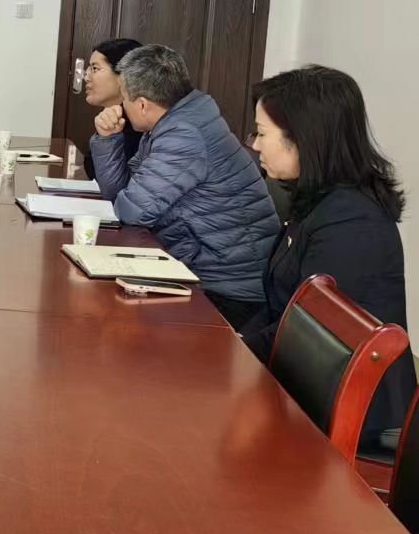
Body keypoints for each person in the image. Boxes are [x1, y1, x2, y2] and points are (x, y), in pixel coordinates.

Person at [240, 66, 415, 452]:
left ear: (303, 138)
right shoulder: (316, 197)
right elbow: (280, 306)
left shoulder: (350, 221)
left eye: (262, 133)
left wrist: (233, 354)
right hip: (303, 382)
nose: (255, 145)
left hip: (351, 412)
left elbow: (308, 333)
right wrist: (233, 343)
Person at [91, 44, 279, 326]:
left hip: (228, 289)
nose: (122, 108)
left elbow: (131, 212)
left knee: (112, 321)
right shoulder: (175, 120)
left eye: (125, 100)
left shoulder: (183, 135)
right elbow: (122, 195)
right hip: (204, 268)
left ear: (142, 104)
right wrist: (108, 139)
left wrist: (125, 197)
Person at [81, 36, 141, 180]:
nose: (86, 77)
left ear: (124, 76)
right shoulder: (112, 118)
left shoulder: (139, 124)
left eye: (95, 69)